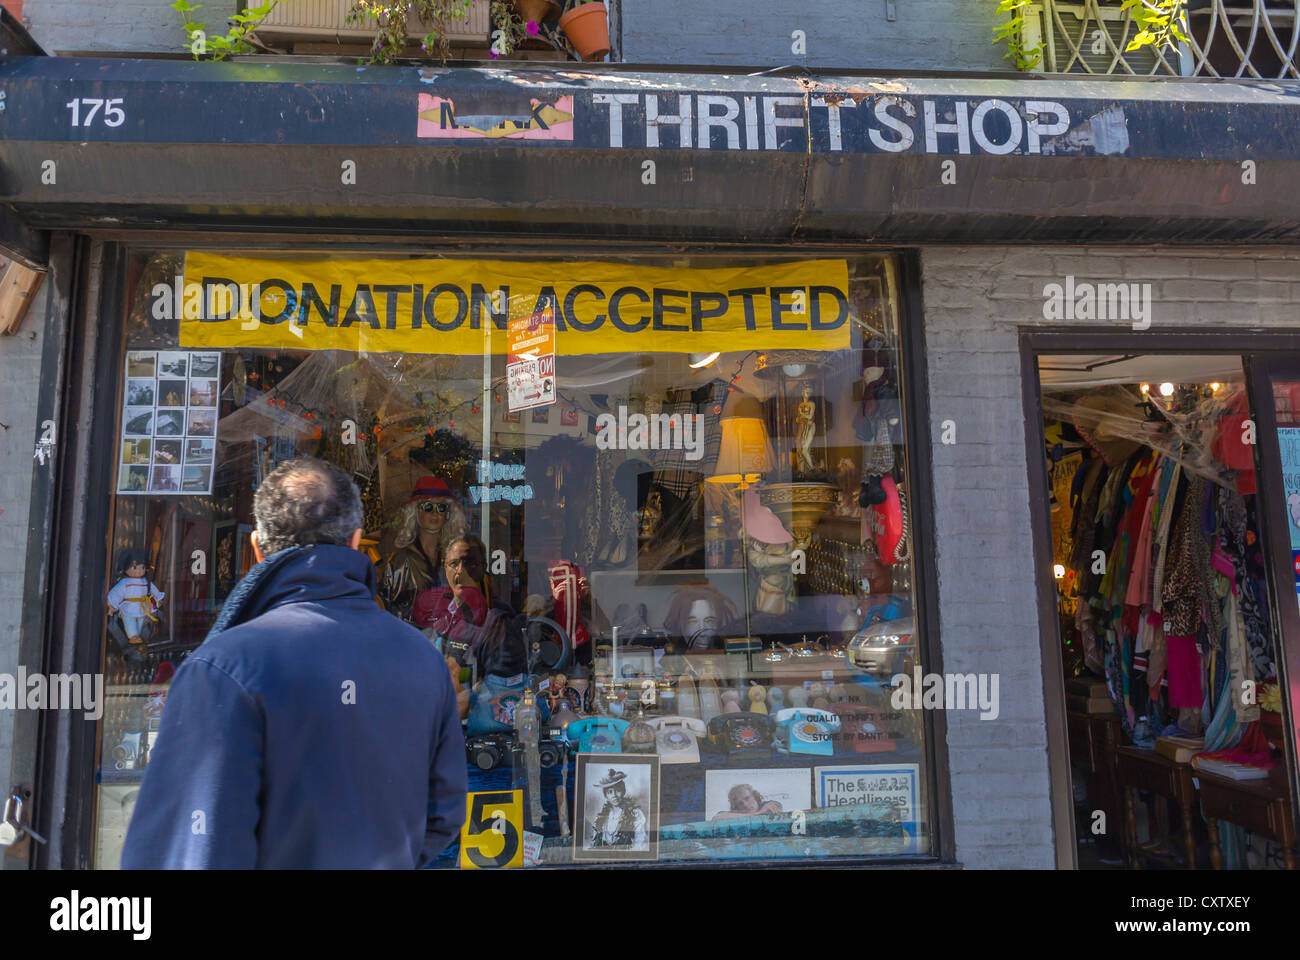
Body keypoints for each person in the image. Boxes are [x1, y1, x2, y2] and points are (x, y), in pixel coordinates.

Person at [121, 457, 467, 869]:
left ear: (256, 550)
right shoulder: (423, 660)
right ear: (357, 542)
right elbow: (442, 815)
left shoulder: (222, 670)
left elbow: (187, 852)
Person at [382, 476, 469, 621]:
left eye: (441, 507)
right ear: (416, 512)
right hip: (411, 640)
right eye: (428, 507)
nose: (435, 513)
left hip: (448, 640)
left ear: (448, 514)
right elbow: (387, 610)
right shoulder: (401, 561)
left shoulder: (454, 560)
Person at [587, 768, 648, 849]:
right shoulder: (600, 818)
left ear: (623, 791)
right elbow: (594, 843)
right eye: (610, 792)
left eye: (618, 790)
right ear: (606, 796)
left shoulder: (635, 814)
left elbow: (640, 842)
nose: (614, 795)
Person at [711, 783, 783, 820]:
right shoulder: (735, 814)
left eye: (747, 798)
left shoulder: (768, 804)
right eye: (740, 803)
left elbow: (775, 808)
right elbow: (716, 818)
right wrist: (757, 813)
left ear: (754, 796)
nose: (745, 805)